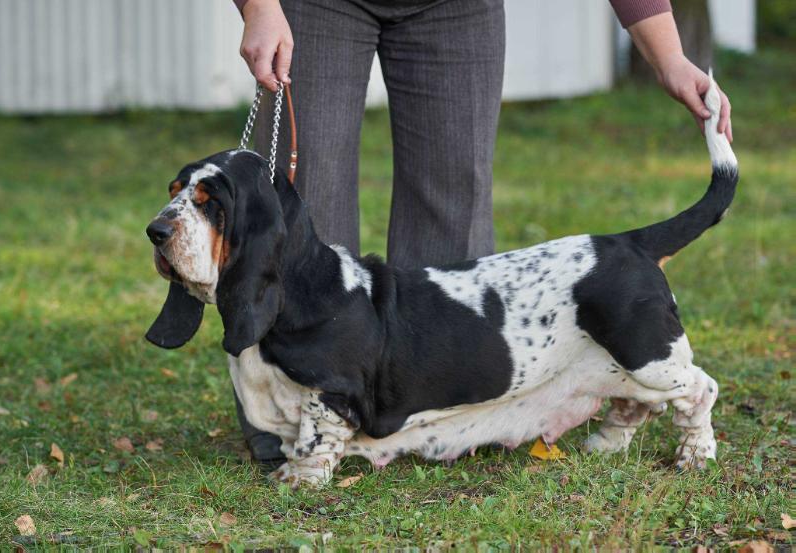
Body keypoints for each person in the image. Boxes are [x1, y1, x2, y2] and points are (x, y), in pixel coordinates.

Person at [231, 0, 734, 464]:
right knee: (303, 211)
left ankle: (446, 418)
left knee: (454, 209)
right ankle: (294, 417)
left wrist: (668, 54)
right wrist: (259, 5)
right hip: (314, 7)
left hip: (454, 9)